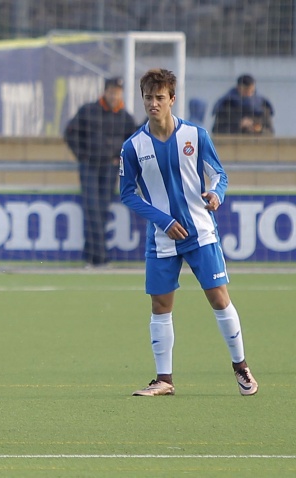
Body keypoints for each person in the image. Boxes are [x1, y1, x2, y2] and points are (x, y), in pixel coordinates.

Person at [119, 68, 257, 397]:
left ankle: (241, 367)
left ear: (172, 99)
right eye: (148, 98)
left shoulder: (195, 136)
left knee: (219, 299)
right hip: (163, 238)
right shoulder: (133, 146)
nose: (153, 103)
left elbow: (219, 175)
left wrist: (216, 194)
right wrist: (162, 220)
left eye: (159, 98)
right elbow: (127, 193)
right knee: (160, 306)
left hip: (201, 234)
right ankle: (164, 380)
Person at [64, 77, 137, 267]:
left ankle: (92, 256)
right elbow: (70, 133)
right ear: (105, 91)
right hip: (89, 166)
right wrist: (82, 155)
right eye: (112, 91)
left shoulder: (125, 117)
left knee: (102, 211)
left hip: (110, 169)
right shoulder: (89, 111)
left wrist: (120, 157)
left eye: (118, 92)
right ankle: (99, 257)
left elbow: (134, 142)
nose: (114, 95)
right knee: (92, 210)